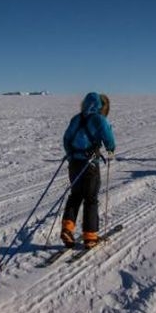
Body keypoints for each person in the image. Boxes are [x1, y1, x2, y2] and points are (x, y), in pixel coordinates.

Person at [61, 92, 116, 250]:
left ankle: (67, 228)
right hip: (90, 164)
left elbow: (66, 139)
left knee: (75, 195)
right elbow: (108, 136)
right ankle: (90, 237)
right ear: (101, 106)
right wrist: (110, 149)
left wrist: (70, 154)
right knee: (91, 199)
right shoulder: (99, 119)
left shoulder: (76, 118)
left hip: (74, 163)